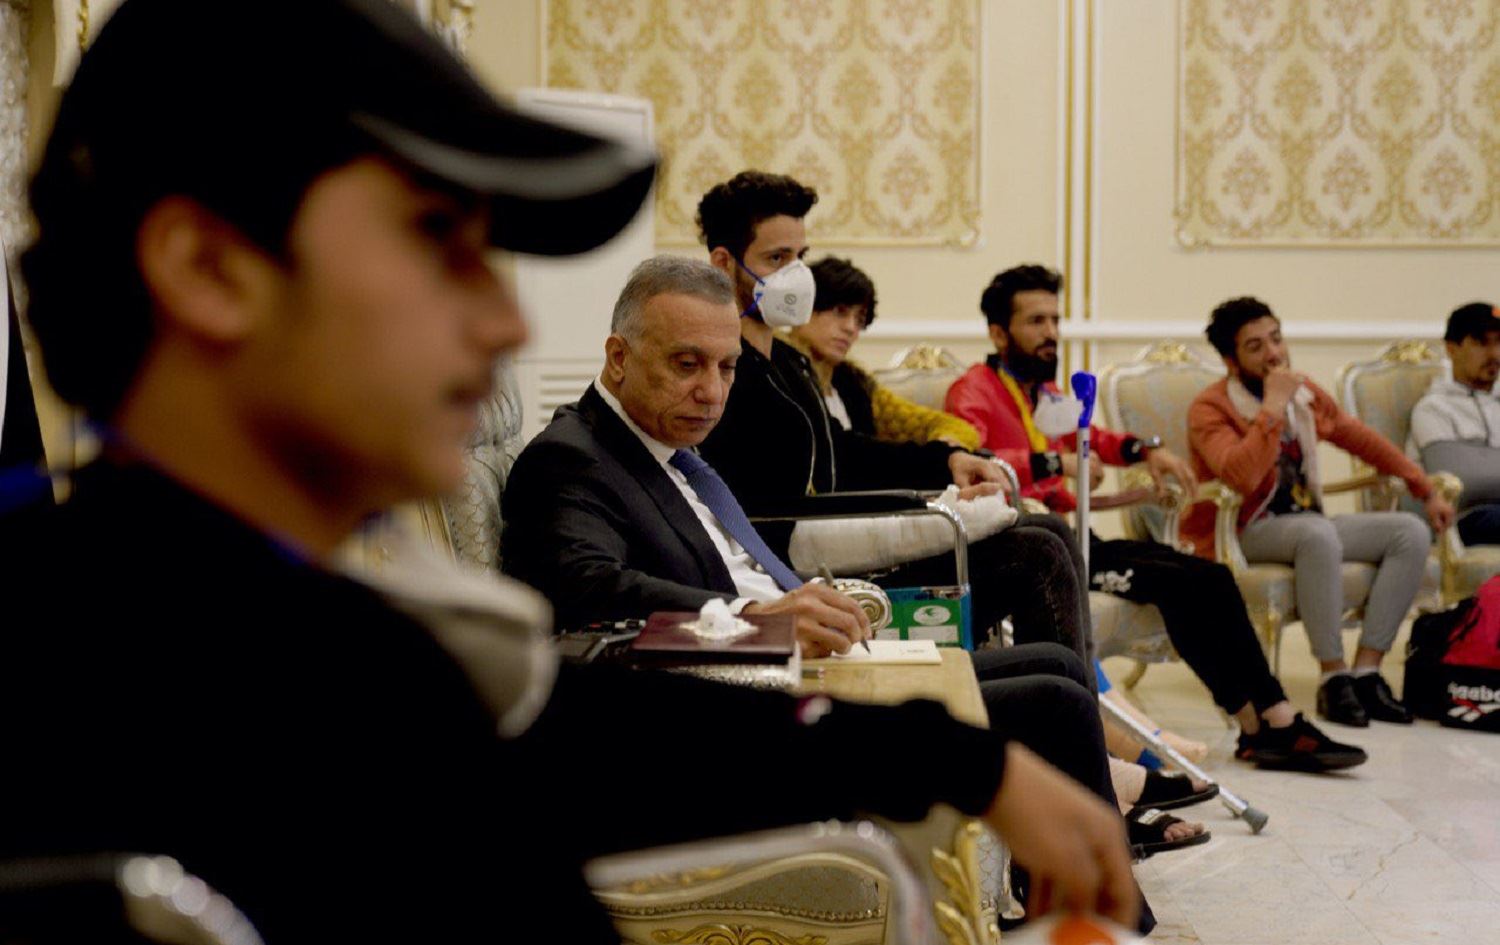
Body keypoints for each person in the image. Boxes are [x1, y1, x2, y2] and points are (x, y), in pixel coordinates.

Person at [0, 0, 1141, 940]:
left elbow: (575, 731)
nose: (503, 322)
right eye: (437, 241)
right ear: (209, 267)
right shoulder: (91, 688)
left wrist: (953, 758)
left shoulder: (318, 637)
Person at [502, 254, 1207, 865]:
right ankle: (1095, 903)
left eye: (725, 368)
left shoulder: (670, 446)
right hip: (740, 687)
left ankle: (1061, 875)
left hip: (798, 649)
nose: (712, 391)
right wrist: (758, 617)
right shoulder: (572, 457)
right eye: (686, 364)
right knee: (1054, 700)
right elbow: (586, 589)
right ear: (618, 357)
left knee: (1055, 665)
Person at [945, 264, 1365, 771]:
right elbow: (977, 460)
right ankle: (1268, 726)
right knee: (1181, 584)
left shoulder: (1042, 392)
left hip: (1076, 539)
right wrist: (1056, 464)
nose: (1051, 332)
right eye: (1036, 321)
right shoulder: (972, 391)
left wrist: (1147, 450)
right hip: (1034, 552)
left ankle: (1268, 722)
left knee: (1209, 576)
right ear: (998, 333)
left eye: (1055, 320)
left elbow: (1094, 438)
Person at [691, 171, 1096, 670]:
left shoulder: (791, 364)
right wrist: (922, 510)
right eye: (776, 259)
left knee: (1050, 530)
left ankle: (1068, 700)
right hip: (792, 572)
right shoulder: (721, 371)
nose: (795, 275)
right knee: (1039, 553)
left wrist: (948, 461)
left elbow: (846, 451)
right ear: (723, 264)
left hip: (832, 542)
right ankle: (1059, 705)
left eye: (800, 257)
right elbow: (755, 512)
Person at [1187, 297, 1456, 727]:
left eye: (1276, 339)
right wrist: (1272, 408)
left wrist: (1423, 487)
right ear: (1230, 361)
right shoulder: (1211, 408)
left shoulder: (1304, 395)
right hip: (1242, 529)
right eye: (1255, 346)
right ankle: (1333, 677)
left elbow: (1359, 437)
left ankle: (1366, 673)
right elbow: (1240, 476)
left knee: (1408, 531)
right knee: (1317, 533)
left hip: (1306, 522)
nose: (1274, 353)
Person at [785, 255, 979, 448]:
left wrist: (947, 448)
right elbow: (840, 449)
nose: (851, 328)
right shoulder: (781, 373)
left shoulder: (853, 382)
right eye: (840, 311)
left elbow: (955, 427)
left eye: (860, 319)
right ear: (805, 306)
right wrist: (933, 457)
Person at [1409, 302, 1500, 547]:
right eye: (1481, 343)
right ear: (1452, 349)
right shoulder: (1434, 409)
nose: (1494, 354)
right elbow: (1460, 482)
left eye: (1498, 342)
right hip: (1464, 519)